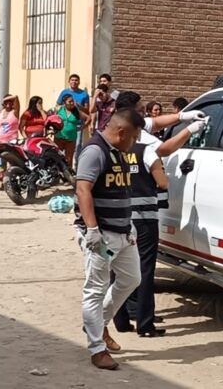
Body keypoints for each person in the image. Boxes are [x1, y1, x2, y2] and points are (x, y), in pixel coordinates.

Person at [112, 101, 206, 339]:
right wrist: (190, 129)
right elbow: (163, 182)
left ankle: (120, 320)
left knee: (118, 269)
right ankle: (145, 324)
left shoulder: (113, 150)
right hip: (144, 219)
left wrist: (182, 116)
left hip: (118, 217)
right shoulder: (147, 151)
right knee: (144, 269)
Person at [75, 108, 145, 370]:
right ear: (121, 132)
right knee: (96, 288)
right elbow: (83, 189)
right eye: (134, 138)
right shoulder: (95, 151)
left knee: (131, 279)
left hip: (124, 233)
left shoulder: (119, 151)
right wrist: (92, 230)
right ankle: (97, 348)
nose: (135, 143)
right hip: (101, 235)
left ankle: (97, 323)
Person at [0, 95, 20, 184]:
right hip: (0, 141)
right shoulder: (1, 112)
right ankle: (2, 182)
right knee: (0, 162)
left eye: (10, 101)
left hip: (11, 141)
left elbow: (16, 97)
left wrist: (8, 98)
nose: (8, 103)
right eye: (6, 102)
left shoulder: (15, 112)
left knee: (13, 160)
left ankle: (12, 181)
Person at [57, 95, 90, 168]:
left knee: (69, 159)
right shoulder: (59, 109)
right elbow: (51, 118)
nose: (72, 103)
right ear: (64, 102)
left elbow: (88, 118)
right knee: (57, 157)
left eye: (73, 101)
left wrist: (82, 127)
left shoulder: (76, 111)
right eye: (70, 101)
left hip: (71, 139)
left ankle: (68, 176)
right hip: (59, 138)